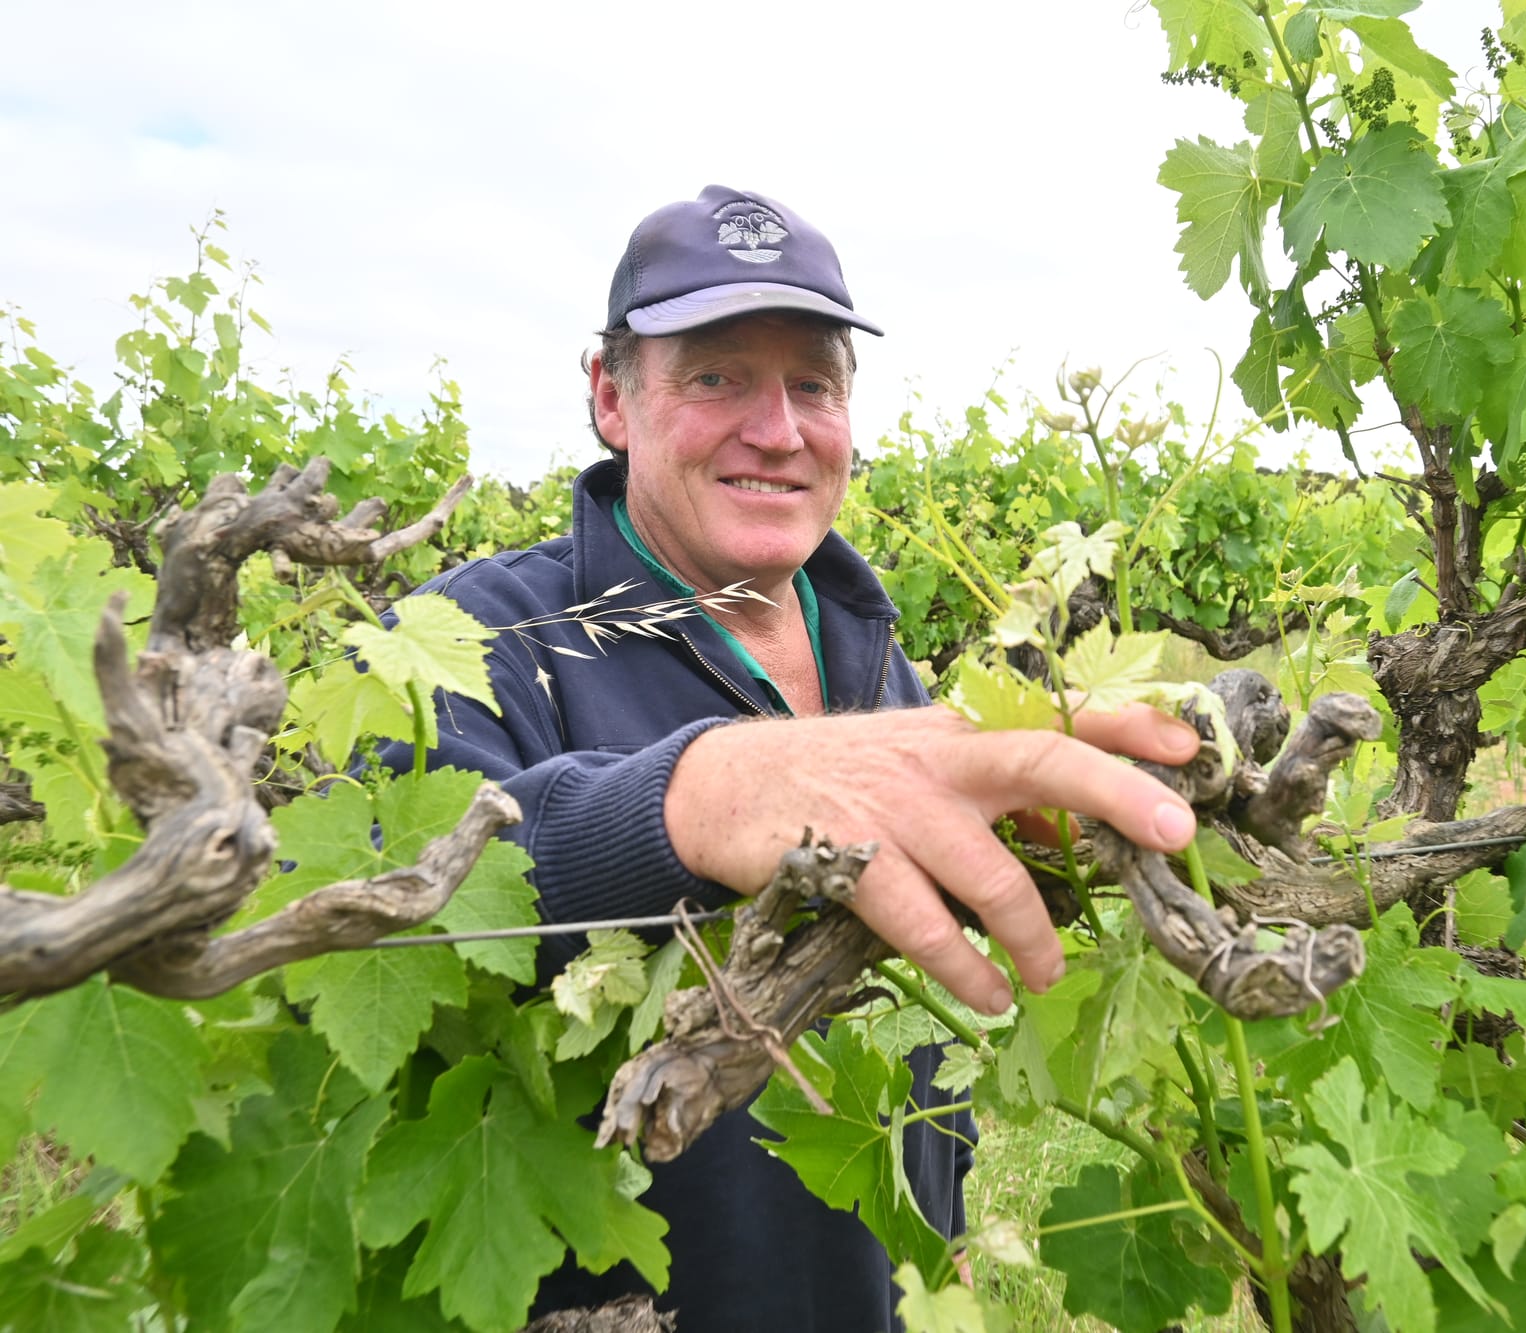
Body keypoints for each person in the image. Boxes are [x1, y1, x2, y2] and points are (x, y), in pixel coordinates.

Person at [394, 185, 1200, 1329]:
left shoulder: (878, 662)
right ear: (610, 397)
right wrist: (698, 792)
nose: (777, 429)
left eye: (812, 383)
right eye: (717, 376)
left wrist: (940, 1212)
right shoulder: (479, 642)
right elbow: (387, 903)